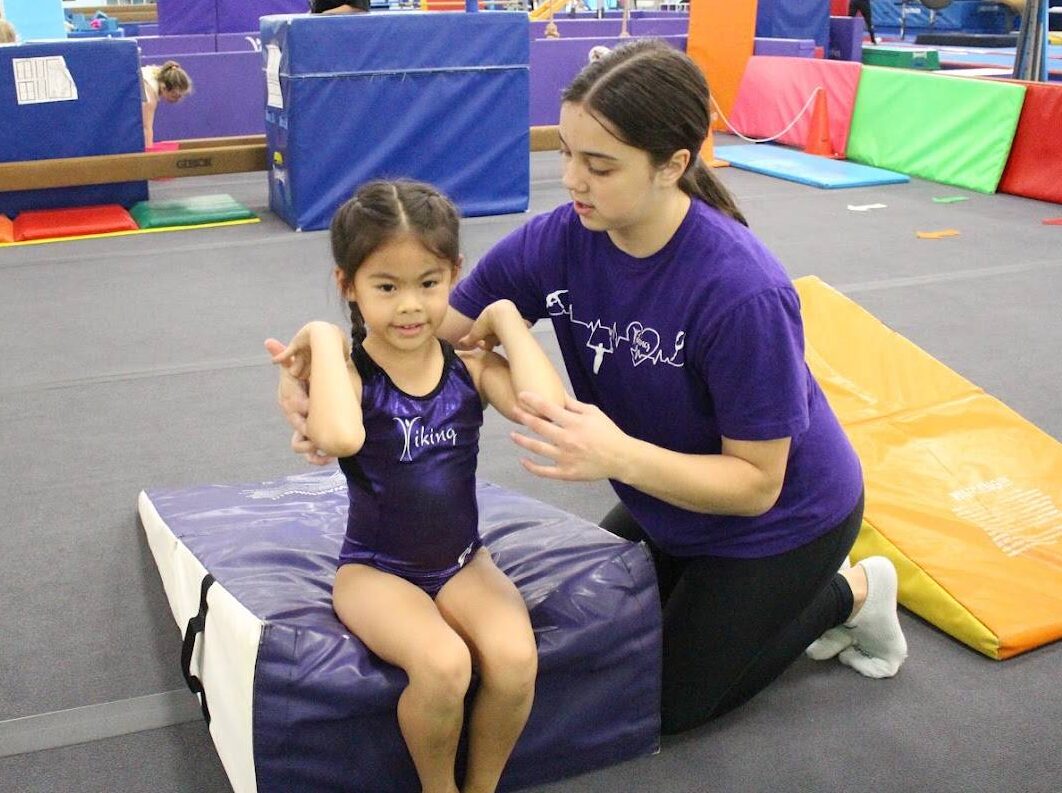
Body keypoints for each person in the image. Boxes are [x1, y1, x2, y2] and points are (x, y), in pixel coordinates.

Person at [276, 40, 908, 736]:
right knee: (591, 651)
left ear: (673, 165)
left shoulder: (741, 292)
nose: (573, 180)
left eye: (599, 165)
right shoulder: (564, 236)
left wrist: (618, 457)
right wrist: (326, 366)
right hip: (663, 494)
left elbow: (757, 483)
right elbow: (430, 329)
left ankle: (854, 591)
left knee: (666, 703)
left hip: (779, 520)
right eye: (565, 153)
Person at [265, 179, 566, 793]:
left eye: (429, 284)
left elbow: (545, 406)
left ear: (455, 273)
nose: (410, 306)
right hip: (375, 571)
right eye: (386, 287)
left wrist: (506, 318)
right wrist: (325, 338)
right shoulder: (353, 371)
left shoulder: (470, 367)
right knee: (443, 663)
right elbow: (340, 438)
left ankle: (481, 787)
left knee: (514, 660)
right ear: (347, 284)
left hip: (462, 559)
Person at [140, 61, 192, 148]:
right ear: (164, 88)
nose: (177, 100)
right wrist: (148, 156)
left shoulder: (159, 74)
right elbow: (146, 128)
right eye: (175, 96)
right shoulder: (149, 97)